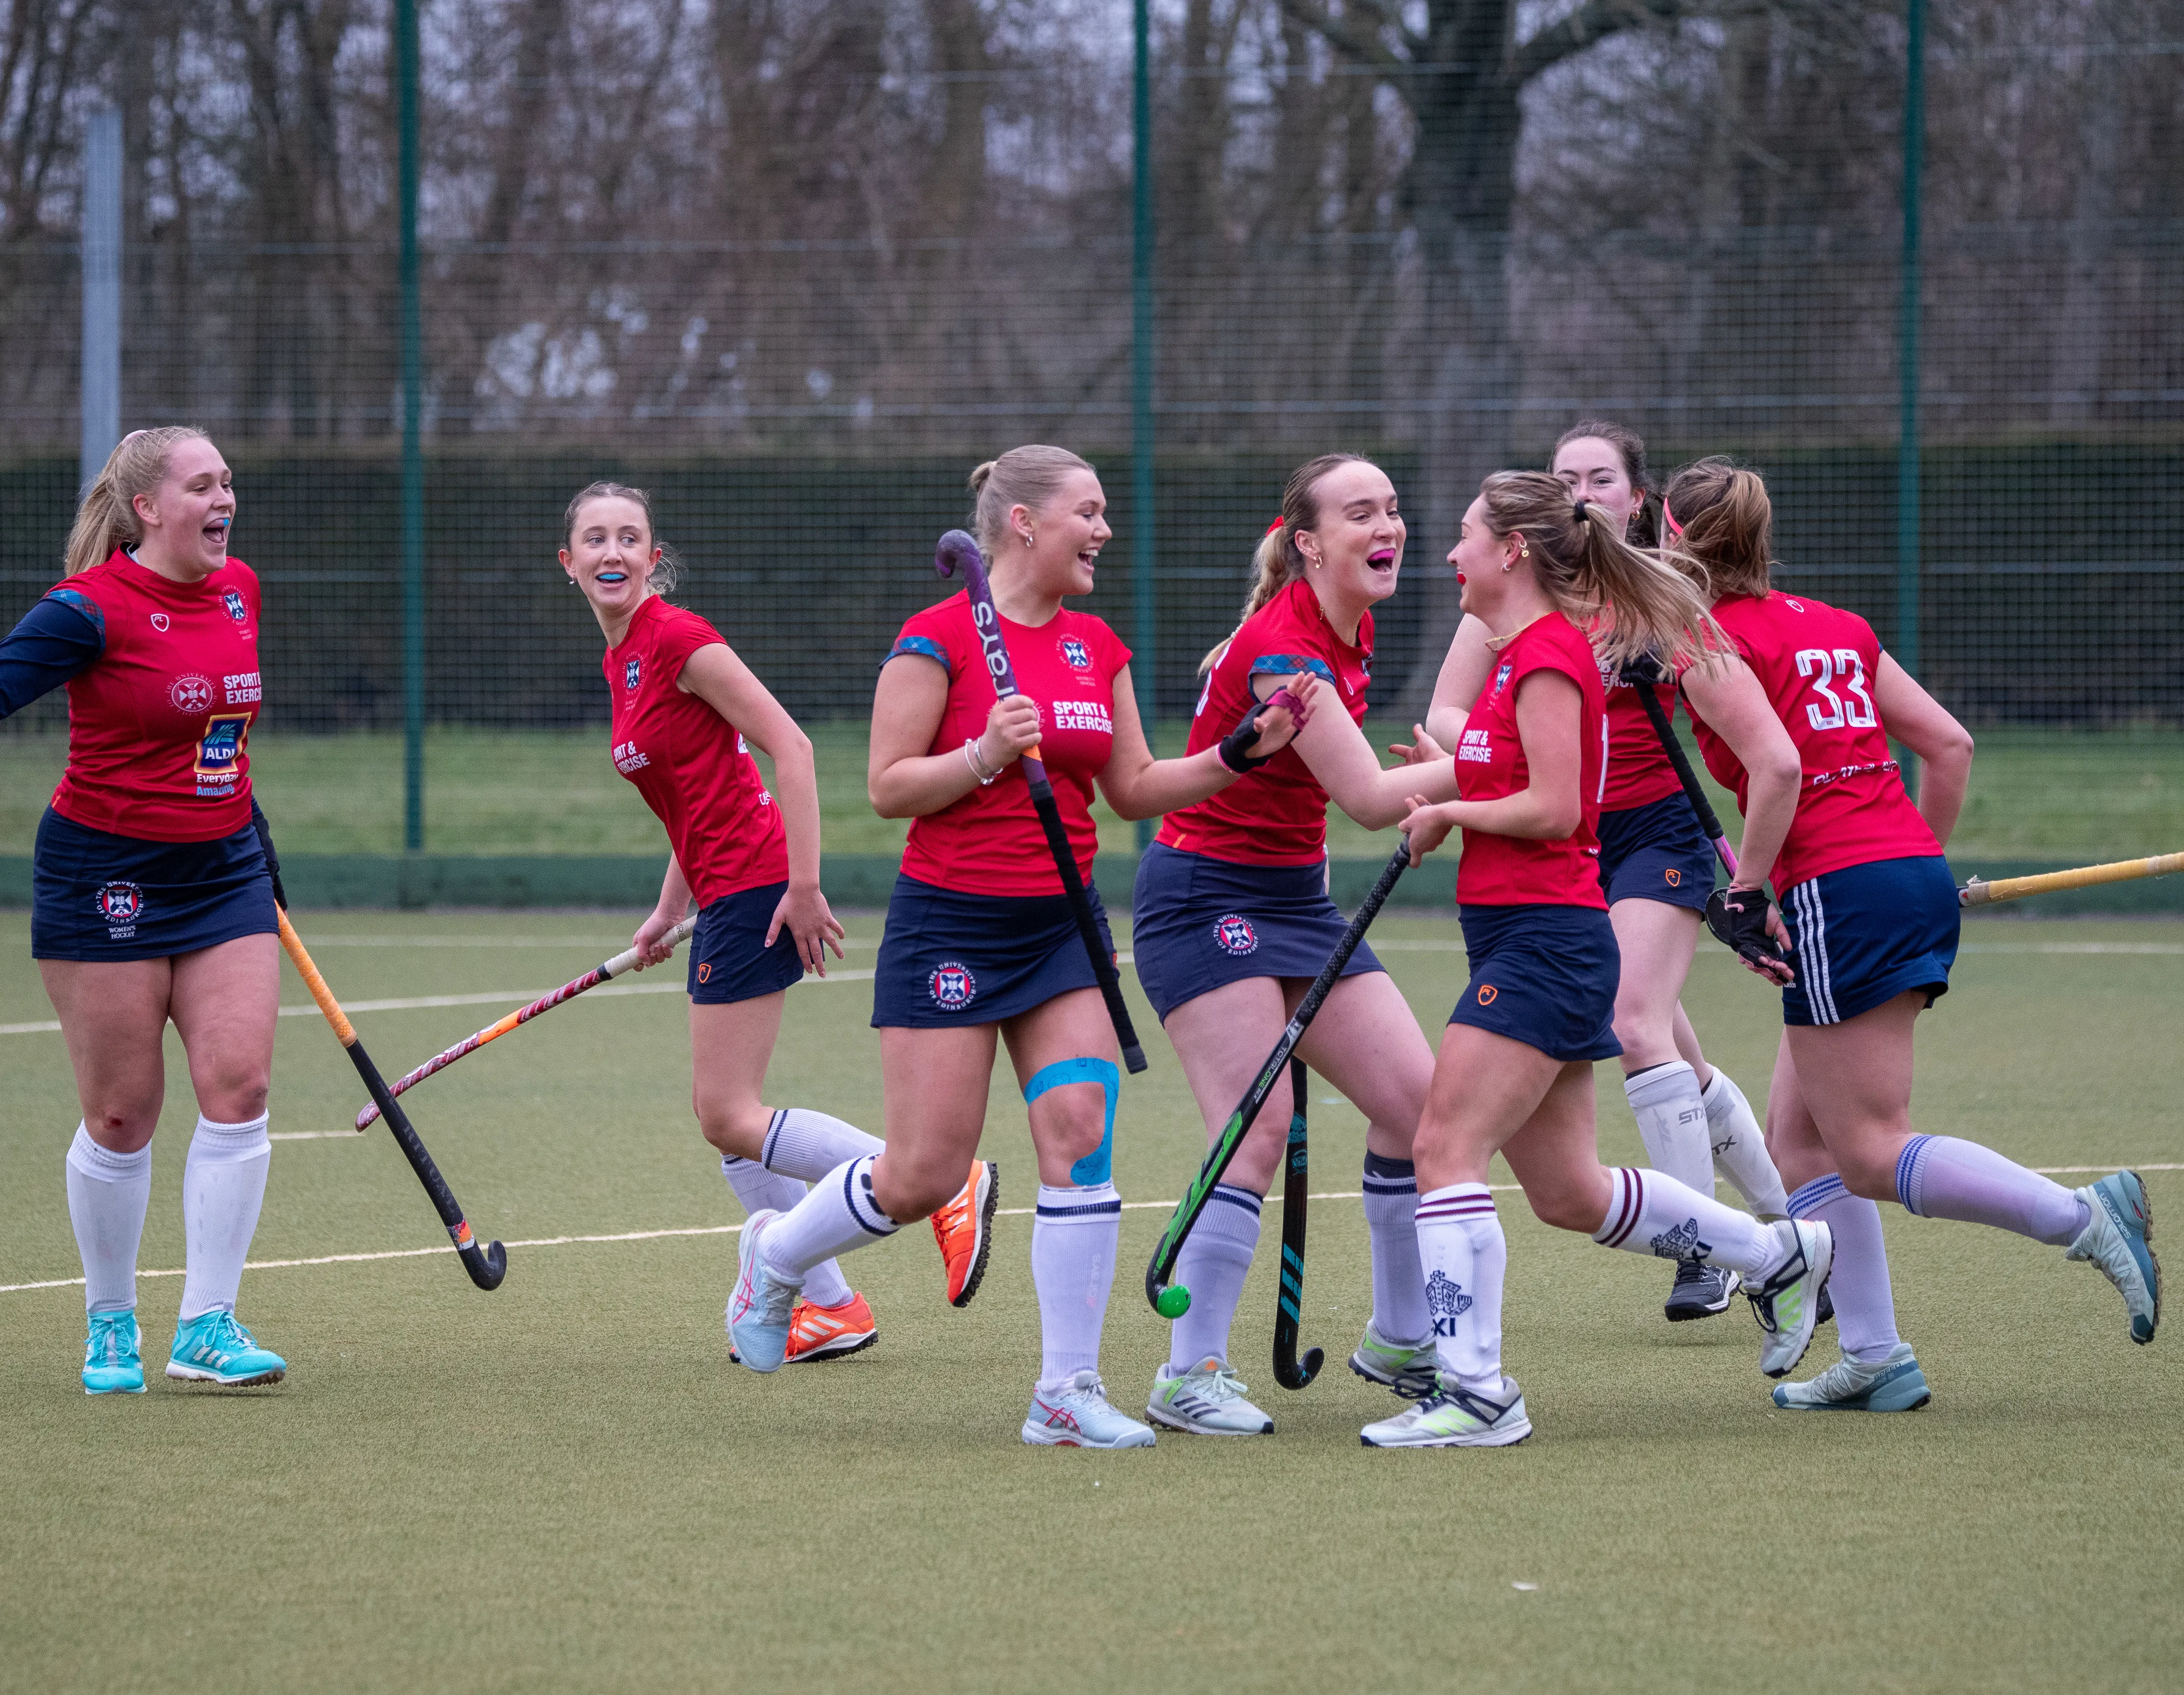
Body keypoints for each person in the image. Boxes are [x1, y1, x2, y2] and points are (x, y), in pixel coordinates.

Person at [721, 445, 1312, 1448]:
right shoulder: (935, 640)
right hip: (949, 923)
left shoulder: (1097, 647)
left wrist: (1234, 755)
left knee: (1080, 1127)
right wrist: (983, 755)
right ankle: (778, 1260)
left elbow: (1131, 789)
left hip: (1061, 926)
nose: (1106, 531)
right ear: (1027, 523)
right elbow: (888, 785)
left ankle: (1064, 1393)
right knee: (920, 1175)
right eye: (1090, 512)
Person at [1661, 457, 2162, 1413]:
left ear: (1677, 540)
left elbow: (1776, 773)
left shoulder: (1710, 640)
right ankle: (1877, 1354)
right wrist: (1909, 861)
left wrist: (1749, 887)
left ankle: (2082, 1217)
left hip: (1835, 891)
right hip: (1894, 876)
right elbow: (1950, 744)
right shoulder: (1837, 627)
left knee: (1866, 1146)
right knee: (1797, 1142)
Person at [1360, 472, 1837, 1450]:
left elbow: (1558, 807)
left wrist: (1452, 811)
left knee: (1441, 1148)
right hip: (1519, 932)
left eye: (1462, 537)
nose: (1447, 555)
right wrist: (1428, 789)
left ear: (1512, 553)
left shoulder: (1545, 659)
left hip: (1544, 940)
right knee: (1568, 1191)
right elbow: (1512, 777)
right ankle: (1779, 1252)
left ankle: (1477, 1391)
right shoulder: (1516, 657)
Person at [0, 427, 291, 1394]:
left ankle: (208, 1326)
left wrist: (259, 850)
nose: (223, 497)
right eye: (203, 485)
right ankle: (111, 1321)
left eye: (227, 481)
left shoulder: (239, 589)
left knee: (237, 1088)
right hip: (103, 876)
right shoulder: (91, 608)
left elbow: (221, 739)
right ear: (149, 509)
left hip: (224, 870)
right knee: (122, 1114)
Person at [1423, 420, 1794, 1323]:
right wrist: (1475, 761)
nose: (1583, 491)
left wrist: (1750, 878)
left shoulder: (1660, 601)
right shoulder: (1514, 609)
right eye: (1566, 478)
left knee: (1634, 1017)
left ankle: (1705, 1260)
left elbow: (1766, 749)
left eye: (1601, 478)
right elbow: (1445, 712)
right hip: (1566, 842)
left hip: (1653, 833)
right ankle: (1782, 1226)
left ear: (1636, 499)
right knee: (1672, 1046)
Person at [564, 480, 936, 1363]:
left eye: (629, 538)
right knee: (726, 1118)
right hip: (721, 883)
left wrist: (802, 887)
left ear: (654, 559)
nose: (612, 552)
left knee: (727, 1115)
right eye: (595, 539)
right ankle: (830, 1304)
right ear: (570, 562)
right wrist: (668, 907)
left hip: (756, 885)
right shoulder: (621, 658)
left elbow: (792, 747)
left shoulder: (679, 641)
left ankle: (933, 1179)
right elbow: (696, 793)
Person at [1129, 454, 1458, 1435]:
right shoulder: (1288, 653)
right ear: (1308, 540)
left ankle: (1402, 1338)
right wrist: (1489, 769)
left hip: (1296, 901)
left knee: (1420, 1108)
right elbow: (1365, 801)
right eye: (1361, 513)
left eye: (1394, 508)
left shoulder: (1349, 632)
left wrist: (1459, 777)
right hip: (1202, 899)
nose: (1387, 525)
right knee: (1256, 1129)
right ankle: (1188, 1376)